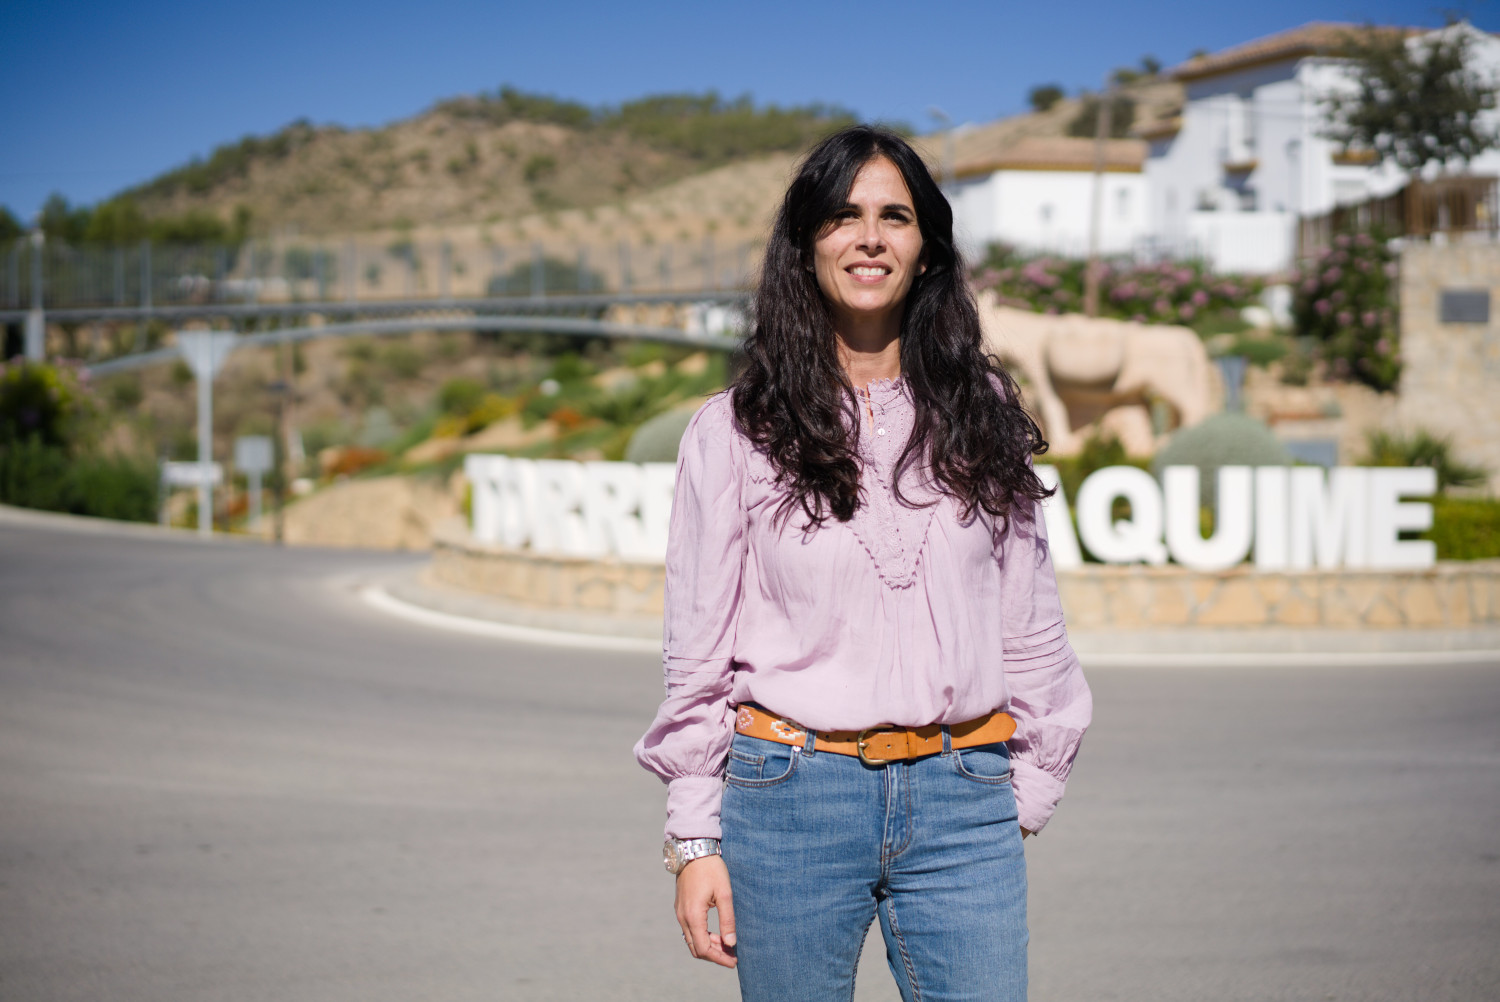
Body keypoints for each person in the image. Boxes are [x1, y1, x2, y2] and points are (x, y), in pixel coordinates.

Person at [633, 125, 1092, 1002]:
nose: (870, 237)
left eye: (896, 216)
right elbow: (695, 654)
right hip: (788, 801)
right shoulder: (734, 431)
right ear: (807, 248)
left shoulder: (984, 408)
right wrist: (695, 843)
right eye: (843, 217)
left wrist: (1025, 789)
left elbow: (1030, 619)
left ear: (927, 250)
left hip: (965, 800)